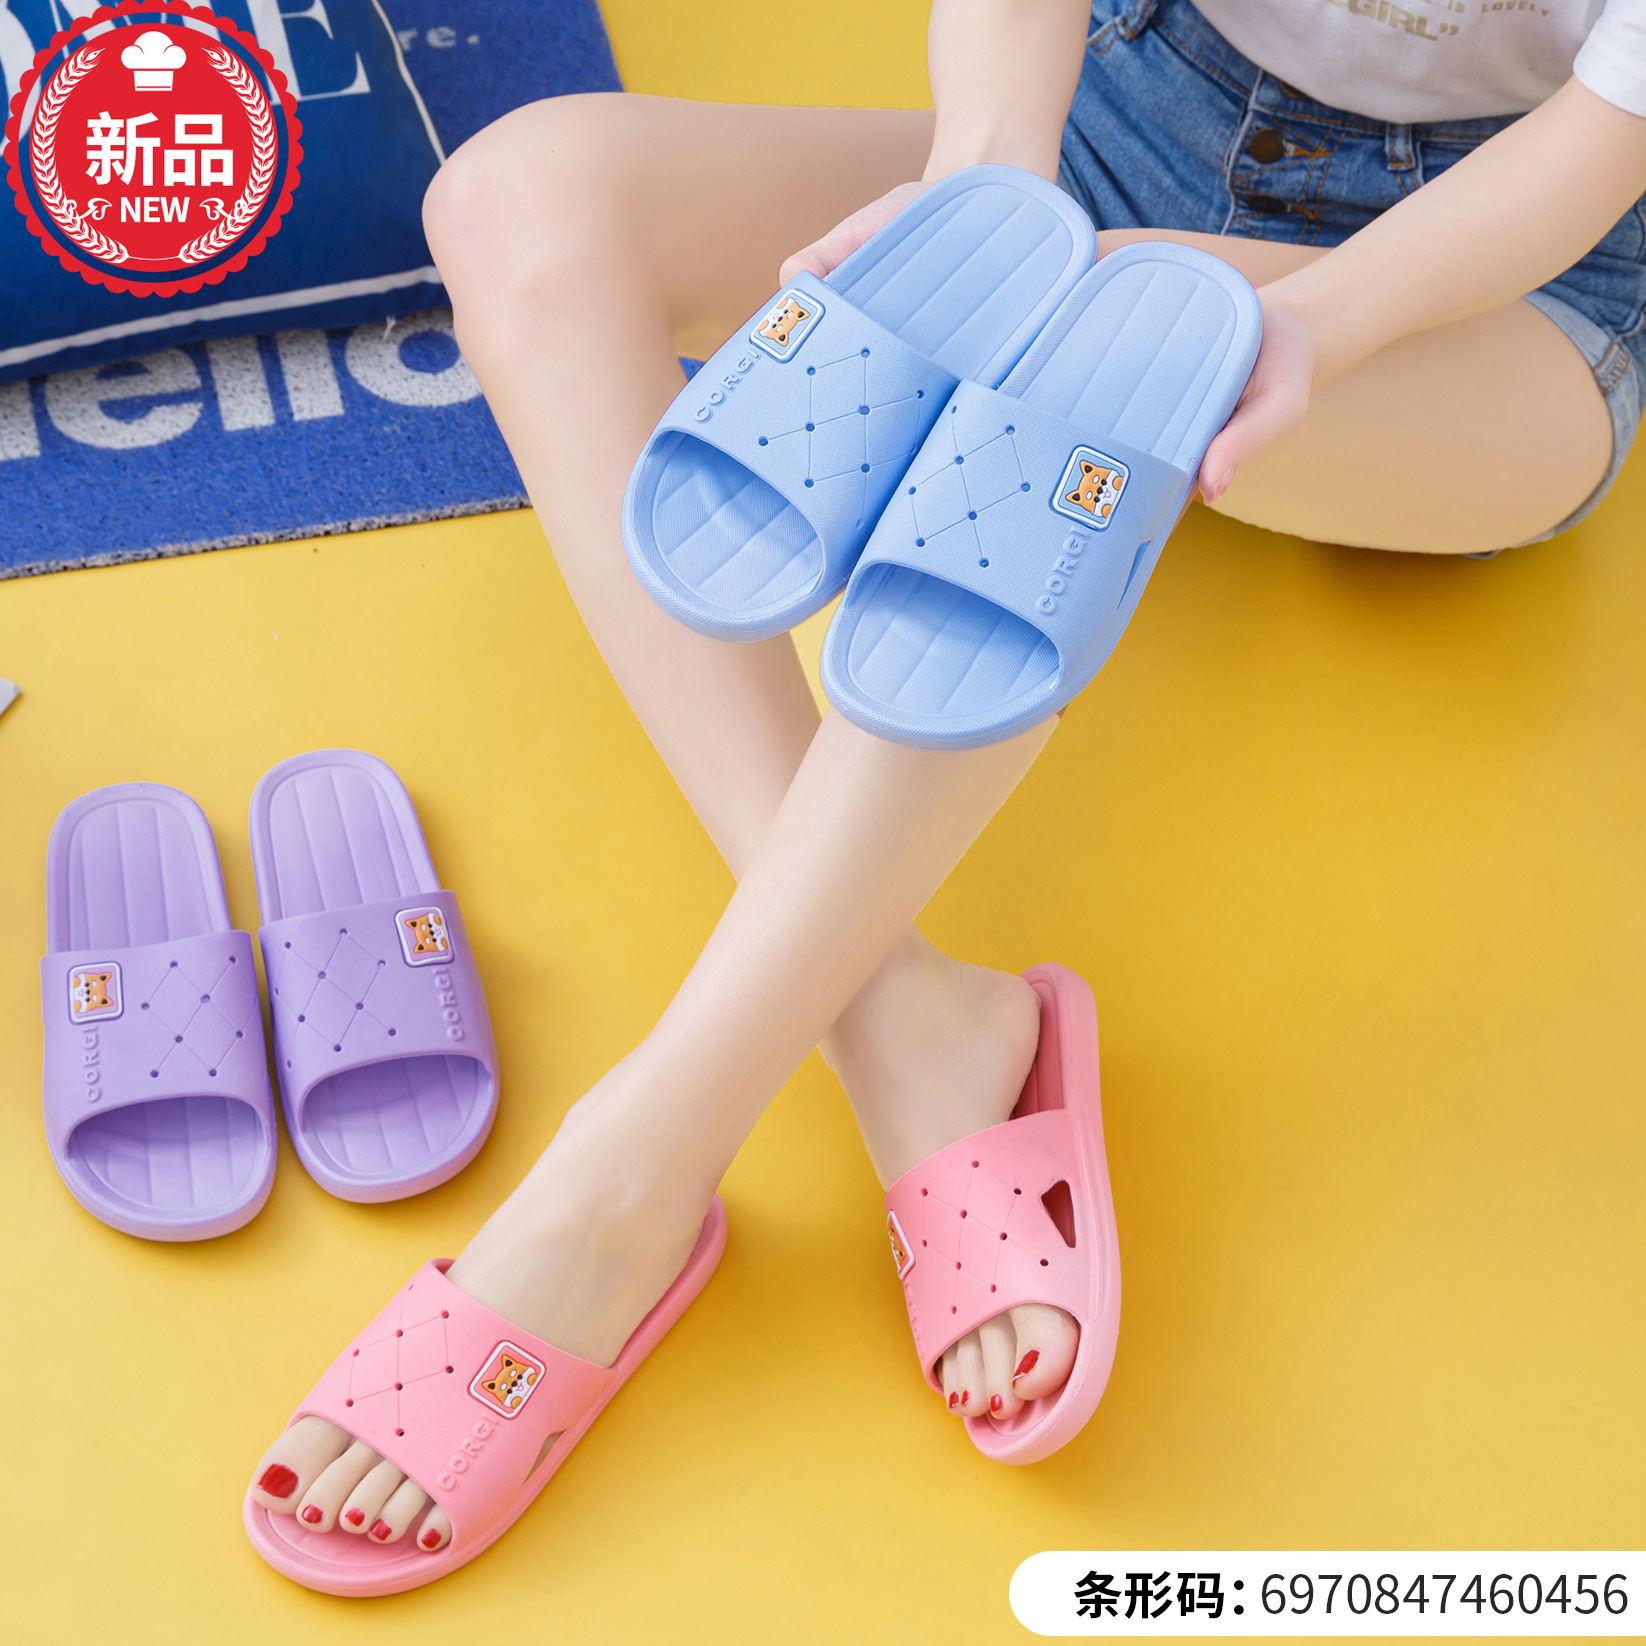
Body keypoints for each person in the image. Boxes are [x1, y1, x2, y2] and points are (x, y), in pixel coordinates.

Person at [247, 0, 1646, 1557]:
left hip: (1487, 295)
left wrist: (1313, 318)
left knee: (1086, 366)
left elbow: (1597, 143)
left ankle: (630, 1172)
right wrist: (983, 186)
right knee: (523, 205)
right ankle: (902, 1023)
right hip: (1120, 120)